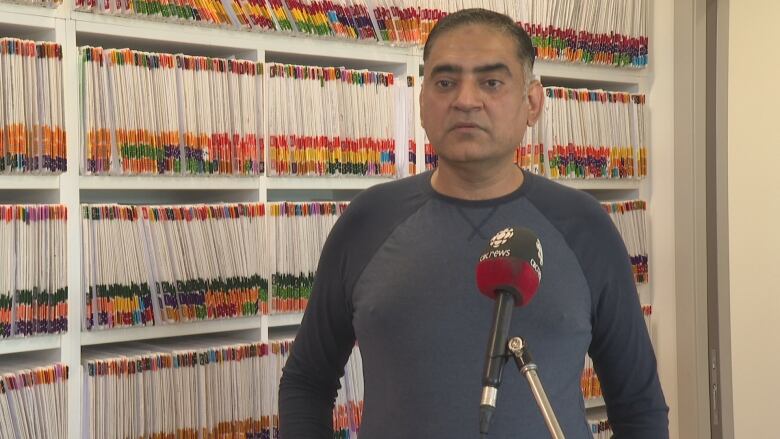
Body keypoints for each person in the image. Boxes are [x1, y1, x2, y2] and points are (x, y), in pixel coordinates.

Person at [279, 8, 668, 438]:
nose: (465, 99)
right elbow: (307, 381)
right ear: (423, 100)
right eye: (445, 82)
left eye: (491, 82)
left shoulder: (584, 227)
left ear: (532, 103)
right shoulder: (368, 220)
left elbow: (638, 403)